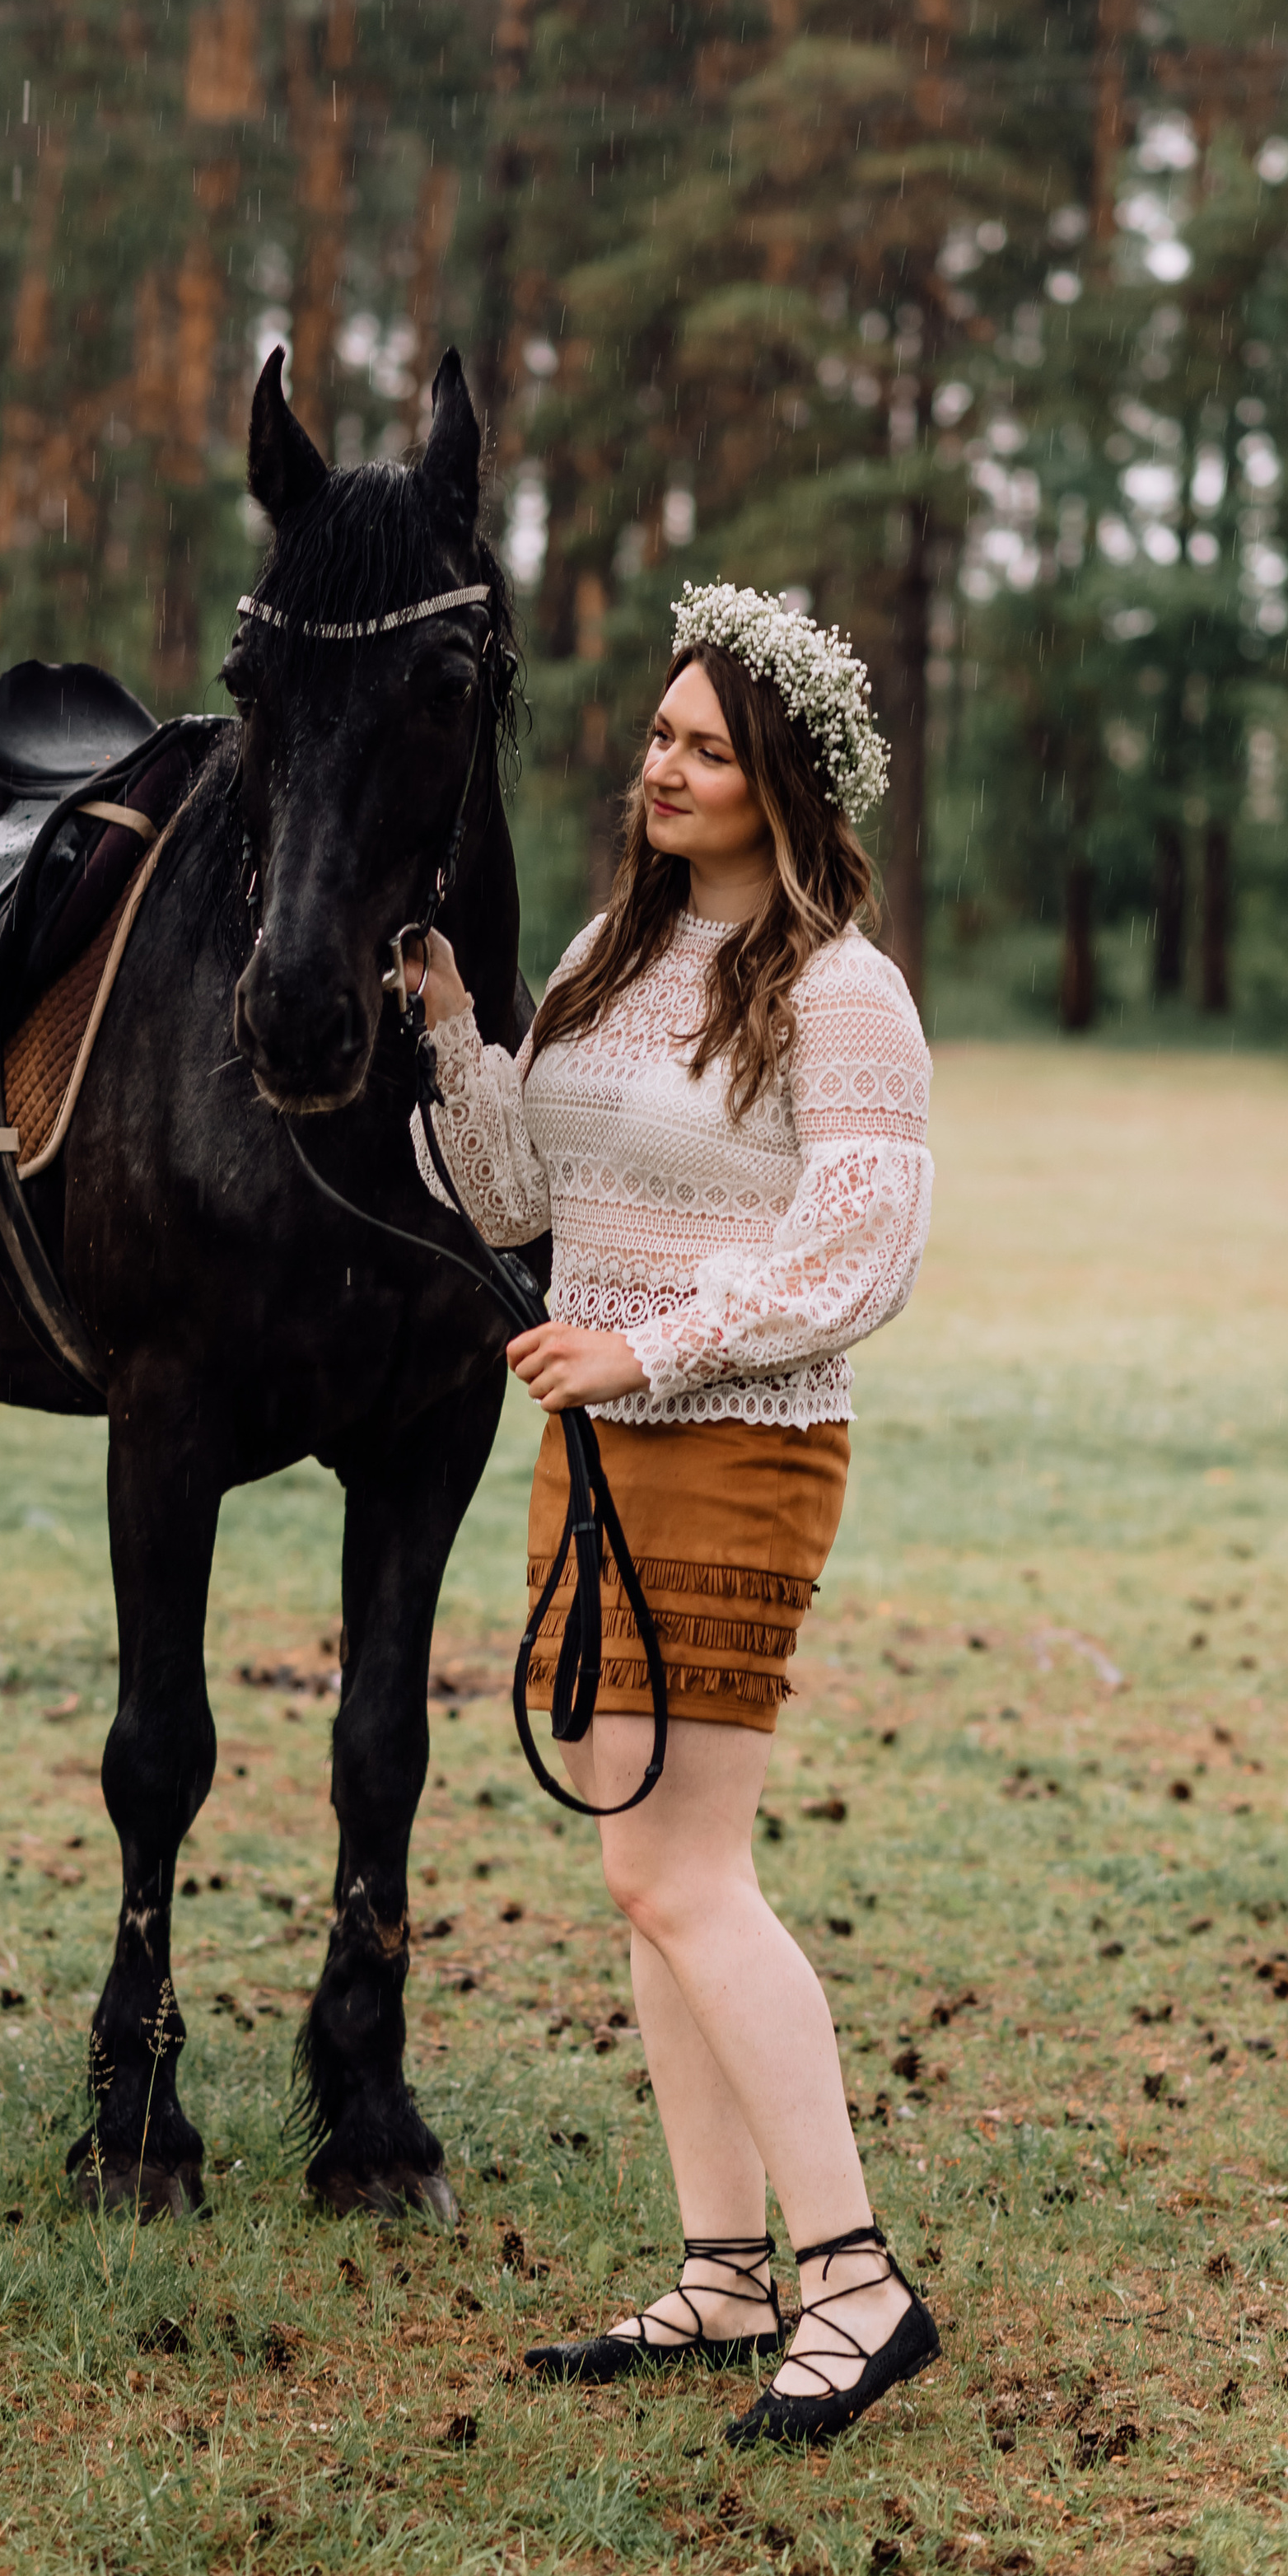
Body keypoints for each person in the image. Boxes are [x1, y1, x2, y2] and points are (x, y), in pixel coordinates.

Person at [408, 580, 936, 2448]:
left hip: (736, 1444)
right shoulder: (603, 959)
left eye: (708, 749)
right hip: (599, 1444)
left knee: (678, 1871)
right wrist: (456, 1035)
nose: (666, 768)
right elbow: (513, 1205)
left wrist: (652, 1347)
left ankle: (853, 2283)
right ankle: (721, 2271)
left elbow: (860, 1249)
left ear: (783, 779)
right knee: (645, 1875)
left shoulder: (843, 992)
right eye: (658, 736)